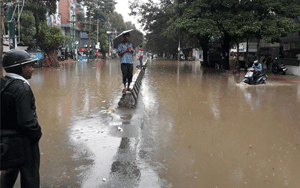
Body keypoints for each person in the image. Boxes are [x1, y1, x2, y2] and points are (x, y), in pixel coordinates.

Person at [1, 49, 42, 188]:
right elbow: (27, 121)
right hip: (24, 143)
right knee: (30, 177)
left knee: (9, 172)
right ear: (21, 68)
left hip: (6, 142)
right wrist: (37, 133)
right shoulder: (22, 88)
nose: (32, 69)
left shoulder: (3, 83)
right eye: (29, 66)